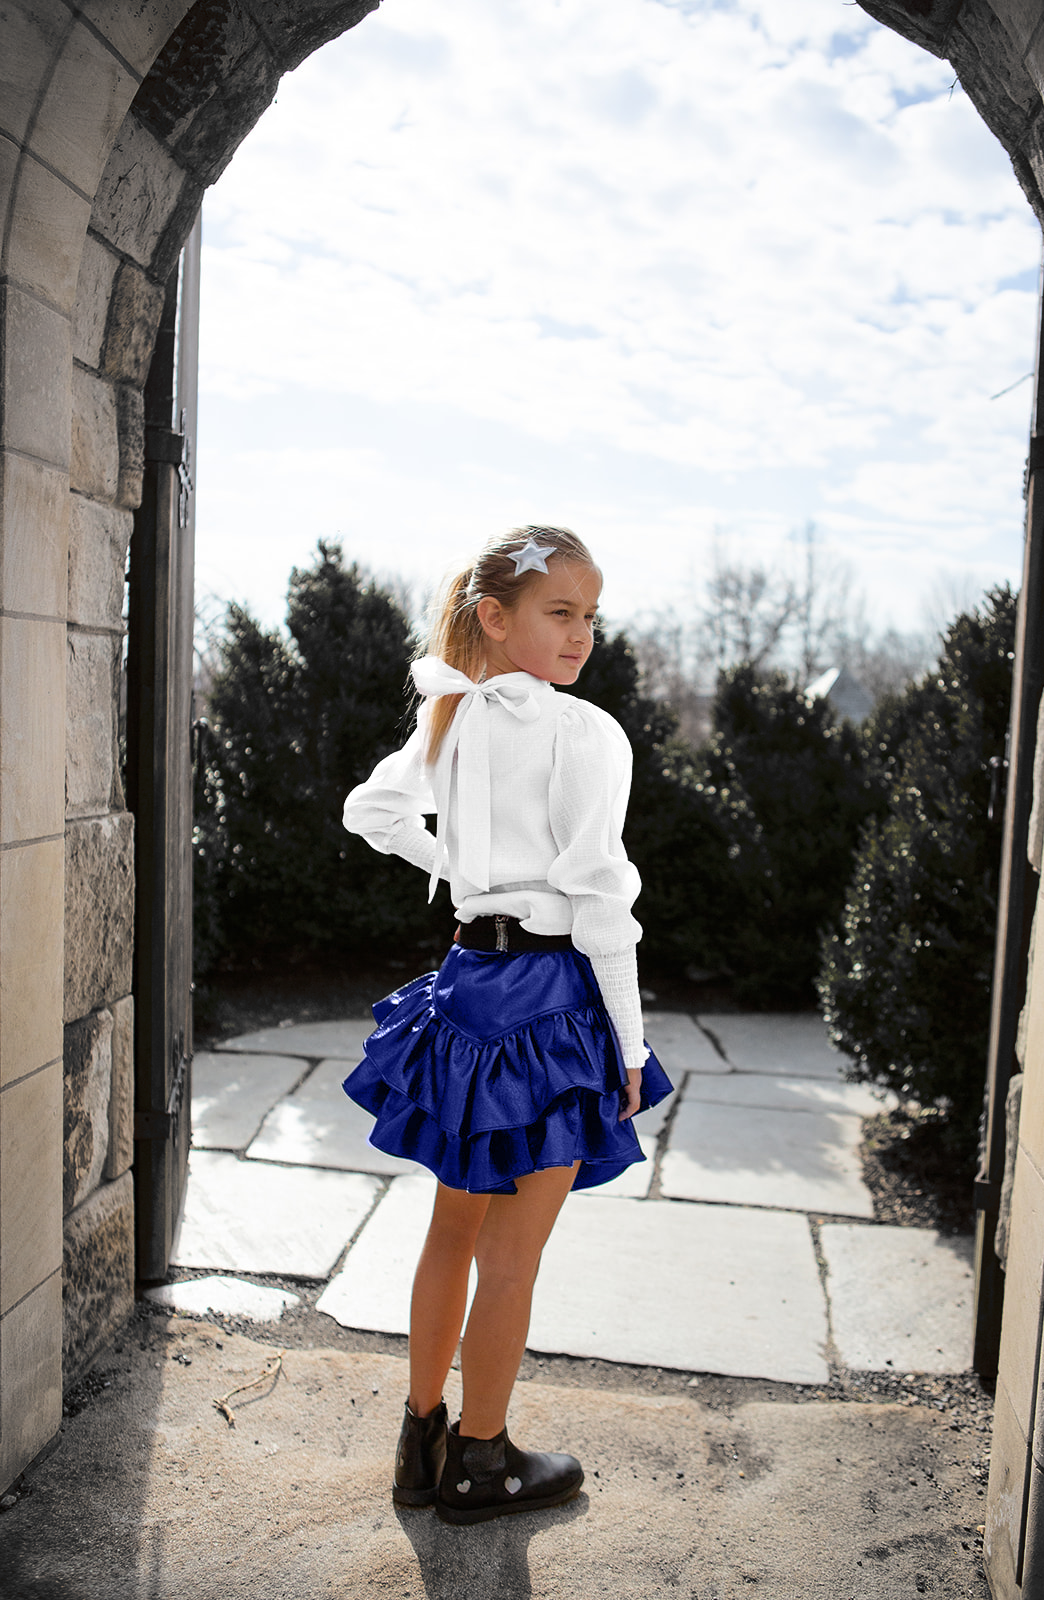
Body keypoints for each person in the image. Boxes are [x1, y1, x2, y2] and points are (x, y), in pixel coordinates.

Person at [340, 525, 671, 1526]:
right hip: (547, 1002)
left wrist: (459, 872)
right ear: (496, 615)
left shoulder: (449, 712)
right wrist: (627, 1043)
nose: (579, 637)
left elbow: (372, 812)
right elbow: (601, 899)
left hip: (464, 983)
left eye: (589, 617)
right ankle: (482, 1459)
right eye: (558, 613)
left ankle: (420, 1436)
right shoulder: (582, 732)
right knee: (508, 1252)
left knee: (453, 1225)